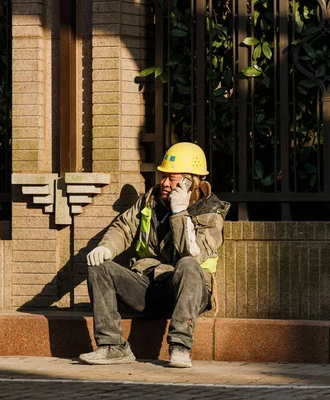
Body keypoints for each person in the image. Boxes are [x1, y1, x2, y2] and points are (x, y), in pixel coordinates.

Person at [79, 142, 229, 368]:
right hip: (149, 286)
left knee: (187, 264)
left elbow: (191, 253)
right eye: (164, 176)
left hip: (187, 294)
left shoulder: (210, 214)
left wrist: (179, 213)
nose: (165, 183)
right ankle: (112, 347)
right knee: (99, 265)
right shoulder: (150, 201)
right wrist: (106, 248)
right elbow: (123, 227)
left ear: (192, 182)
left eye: (173, 178)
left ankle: (180, 346)